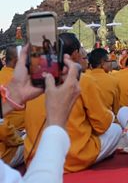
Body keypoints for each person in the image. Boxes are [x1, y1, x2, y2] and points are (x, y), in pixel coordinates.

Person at [24, 33, 121, 173]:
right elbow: (101, 126)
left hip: (36, 159)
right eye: (82, 53)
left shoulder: (35, 81)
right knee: (115, 130)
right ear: (75, 54)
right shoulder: (83, 80)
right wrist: (110, 116)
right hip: (73, 158)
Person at [1, 44, 81, 182]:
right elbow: (101, 124)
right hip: (8, 148)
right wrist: (56, 123)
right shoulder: (88, 80)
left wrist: (11, 97)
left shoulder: (12, 82)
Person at [87, 49, 120, 114]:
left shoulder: (83, 78)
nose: (111, 64)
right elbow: (116, 110)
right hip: (106, 120)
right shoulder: (113, 81)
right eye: (110, 61)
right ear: (102, 63)